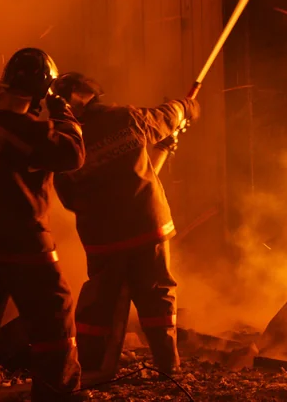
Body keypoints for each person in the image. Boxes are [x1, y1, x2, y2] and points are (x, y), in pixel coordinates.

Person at [0, 48, 85, 400]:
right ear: (41, 92)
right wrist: (62, 111)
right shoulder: (26, 131)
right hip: (24, 244)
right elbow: (72, 154)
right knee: (55, 315)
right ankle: (58, 392)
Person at [50, 72, 200, 382]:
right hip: (147, 226)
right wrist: (187, 107)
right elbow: (166, 116)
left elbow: (68, 197)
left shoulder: (64, 142)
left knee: (98, 303)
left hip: (102, 237)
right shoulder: (126, 118)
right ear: (92, 95)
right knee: (157, 295)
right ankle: (168, 366)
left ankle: (90, 366)